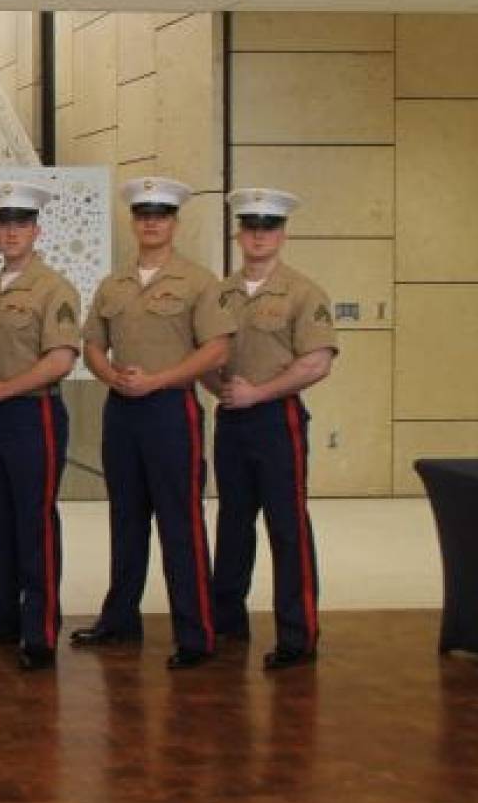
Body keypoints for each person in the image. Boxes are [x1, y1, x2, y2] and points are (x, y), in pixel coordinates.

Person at [73, 177, 236, 670]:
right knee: (125, 518)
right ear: (133, 221)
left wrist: (159, 380)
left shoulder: (199, 282)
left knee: (179, 521)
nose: (151, 222)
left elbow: (217, 348)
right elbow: (93, 346)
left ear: (175, 223)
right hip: (122, 411)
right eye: (143, 215)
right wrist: (111, 377)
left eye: (160, 215)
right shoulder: (113, 284)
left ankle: (195, 632)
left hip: (171, 410)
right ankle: (120, 618)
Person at [205, 188, 337, 670]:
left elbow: (317, 362)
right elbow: (202, 352)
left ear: (282, 234)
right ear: (239, 233)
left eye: (269, 227)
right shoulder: (220, 293)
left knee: (287, 525)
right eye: (251, 227)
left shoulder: (303, 292)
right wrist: (218, 387)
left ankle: (297, 635)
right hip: (231, 419)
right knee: (233, 523)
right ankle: (227, 621)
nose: (259, 236)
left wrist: (257, 393)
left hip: (275, 419)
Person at [0, 181, 81, 671]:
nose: (11, 233)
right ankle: (0, 614)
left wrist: (4, 389)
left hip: (34, 414)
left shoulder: (55, 288)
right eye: (4, 224)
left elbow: (60, 359)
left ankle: (40, 627)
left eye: (21, 224)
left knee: (34, 522)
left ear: (36, 229)